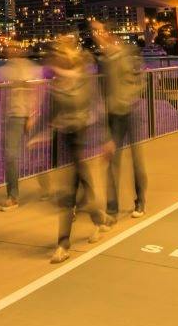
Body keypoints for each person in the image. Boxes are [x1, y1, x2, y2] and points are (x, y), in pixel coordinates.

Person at [42, 33, 109, 263]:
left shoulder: (83, 81)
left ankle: (63, 243)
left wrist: (106, 139)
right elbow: (48, 112)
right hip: (63, 137)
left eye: (60, 57)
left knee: (68, 190)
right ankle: (99, 219)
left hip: (79, 135)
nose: (55, 63)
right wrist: (36, 136)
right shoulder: (56, 84)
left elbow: (97, 107)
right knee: (81, 183)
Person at [92, 20, 147, 221]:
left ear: (108, 32)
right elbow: (103, 91)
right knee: (111, 160)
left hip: (131, 111)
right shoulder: (103, 61)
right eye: (93, 32)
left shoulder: (129, 51)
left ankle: (140, 200)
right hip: (114, 115)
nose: (95, 35)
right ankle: (112, 208)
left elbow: (140, 80)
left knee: (136, 160)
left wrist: (128, 98)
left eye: (98, 31)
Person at [0, 39, 37, 210]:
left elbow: (31, 90)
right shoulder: (8, 67)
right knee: (18, 153)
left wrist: (31, 115)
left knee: (12, 155)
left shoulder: (24, 67)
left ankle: (13, 197)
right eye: (7, 48)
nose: (9, 50)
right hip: (11, 116)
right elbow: (3, 92)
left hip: (21, 115)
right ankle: (14, 194)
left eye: (12, 47)